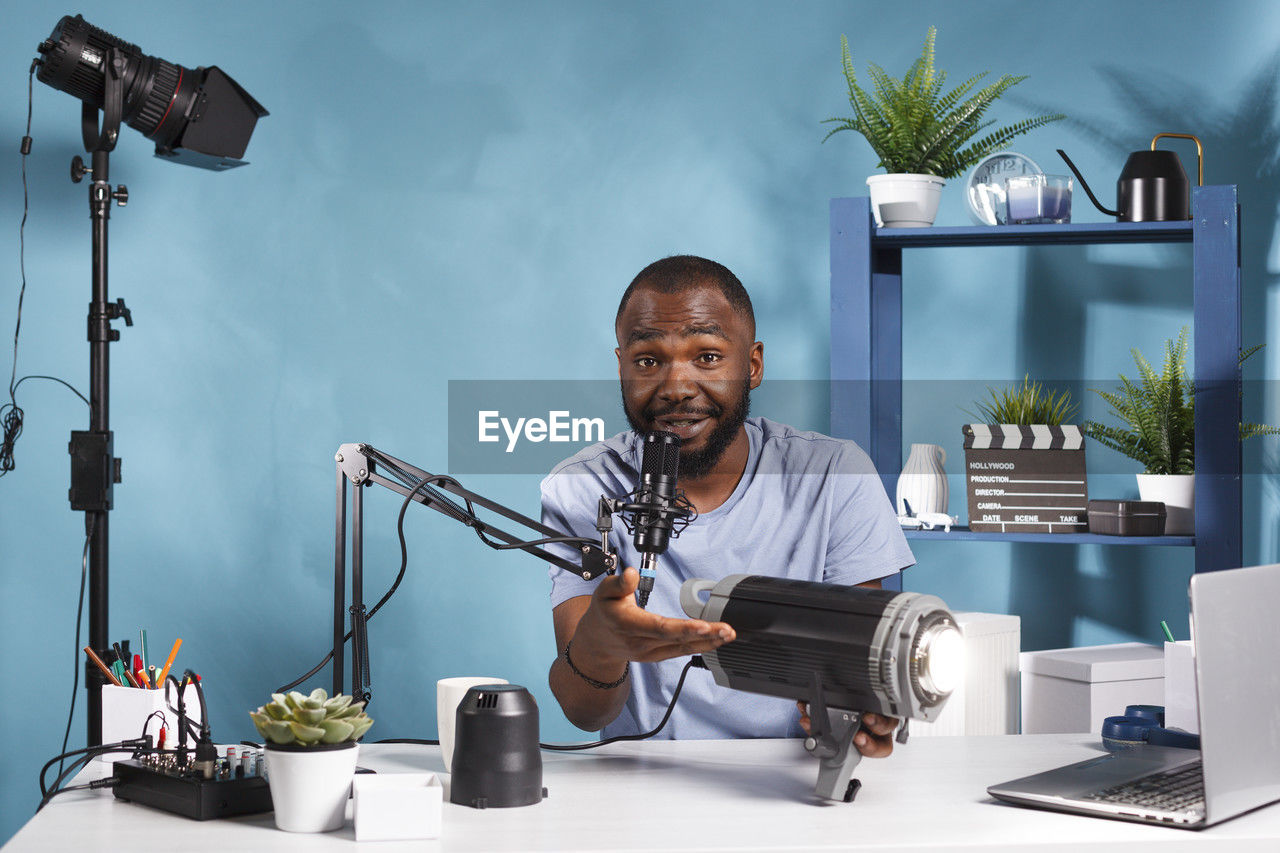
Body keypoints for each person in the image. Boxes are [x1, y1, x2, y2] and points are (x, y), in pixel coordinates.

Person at [542, 255, 914, 757]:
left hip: (791, 781)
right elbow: (586, 712)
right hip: (640, 796)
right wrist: (600, 647)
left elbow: (856, 666)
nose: (676, 387)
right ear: (622, 368)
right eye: (648, 361)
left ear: (753, 365)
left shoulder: (834, 476)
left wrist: (861, 705)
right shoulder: (584, 487)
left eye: (708, 357)